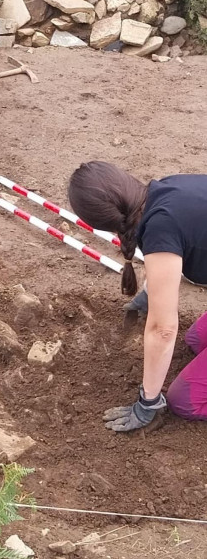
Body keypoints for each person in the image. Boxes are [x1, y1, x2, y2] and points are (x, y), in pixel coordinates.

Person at [68, 161, 207, 432]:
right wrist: (149, 293)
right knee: (196, 340)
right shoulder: (165, 189)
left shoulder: (160, 227)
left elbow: (163, 330)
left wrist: (149, 401)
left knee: (184, 401)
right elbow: (179, 246)